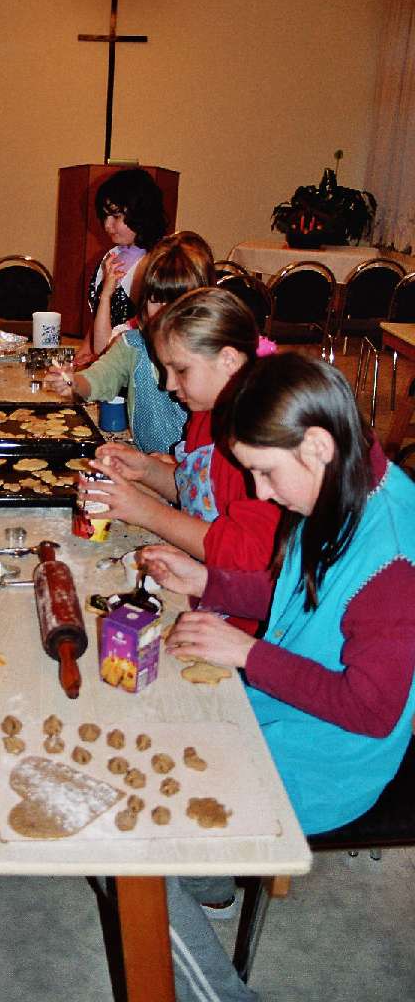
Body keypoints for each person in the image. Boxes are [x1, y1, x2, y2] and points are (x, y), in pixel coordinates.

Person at [140, 352, 415, 1002]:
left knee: (125, 841)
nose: (260, 492)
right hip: (277, 713)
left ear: (316, 444)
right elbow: (303, 590)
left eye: (264, 471)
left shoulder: (393, 561)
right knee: (145, 715)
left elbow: (371, 709)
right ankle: (209, 875)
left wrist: (246, 654)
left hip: (327, 761)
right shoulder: (344, 478)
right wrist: (211, 580)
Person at [86, 288, 280, 571]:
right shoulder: (203, 413)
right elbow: (197, 495)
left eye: (181, 370)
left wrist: (147, 512)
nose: (168, 385)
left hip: (229, 595)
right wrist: (147, 470)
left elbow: (246, 555)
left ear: (229, 361)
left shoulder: (257, 440)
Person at [45, 236, 216, 453]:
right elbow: (100, 377)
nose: (164, 312)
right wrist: (74, 382)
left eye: (175, 302)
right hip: (148, 459)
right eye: (155, 300)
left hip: (193, 468)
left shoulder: (210, 357)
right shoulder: (133, 345)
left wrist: (178, 463)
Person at [77, 167, 168, 362]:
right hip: (105, 359)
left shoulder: (156, 264)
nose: (107, 225)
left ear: (141, 213)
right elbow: (101, 315)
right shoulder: (113, 255)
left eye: (116, 216)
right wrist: (86, 348)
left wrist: (99, 359)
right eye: (105, 216)